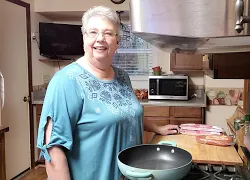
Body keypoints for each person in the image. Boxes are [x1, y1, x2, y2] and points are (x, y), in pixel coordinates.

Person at [36, 5, 180, 180]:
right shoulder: (66, 81)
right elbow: (53, 148)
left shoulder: (122, 76)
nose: (100, 39)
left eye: (108, 33)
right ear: (83, 39)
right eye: (93, 32)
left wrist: (157, 128)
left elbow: (125, 113)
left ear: (117, 41)